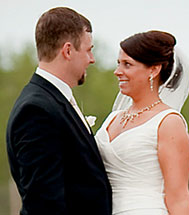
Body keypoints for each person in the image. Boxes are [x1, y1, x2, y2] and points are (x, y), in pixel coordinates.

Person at [6, 7, 112, 215]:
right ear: (68, 50)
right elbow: (44, 204)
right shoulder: (36, 111)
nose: (92, 59)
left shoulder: (52, 101)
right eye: (89, 49)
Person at [95, 30, 189, 215]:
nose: (118, 72)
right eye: (118, 63)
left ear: (153, 70)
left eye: (127, 64)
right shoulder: (113, 118)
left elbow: (178, 197)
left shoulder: (168, 122)